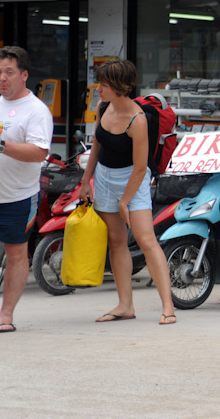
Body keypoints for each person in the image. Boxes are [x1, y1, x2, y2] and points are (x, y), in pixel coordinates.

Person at [78, 59, 176, 325]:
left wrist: (125, 200)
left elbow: (141, 168)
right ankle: (125, 305)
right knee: (116, 240)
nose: (98, 88)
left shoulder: (137, 119)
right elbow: (97, 144)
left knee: (146, 239)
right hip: (104, 177)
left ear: (120, 87)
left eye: (104, 84)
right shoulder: (103, 107)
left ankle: (168, 306)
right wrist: (86, 181)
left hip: (132, 179)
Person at [0, 46, 54, 334]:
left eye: (9, 73)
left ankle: (5, 315)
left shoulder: (37, 111)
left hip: (16, 196)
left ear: (24, 75)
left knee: (16, 254)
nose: (2, 79)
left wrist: (0, 145)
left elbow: (39, 152)